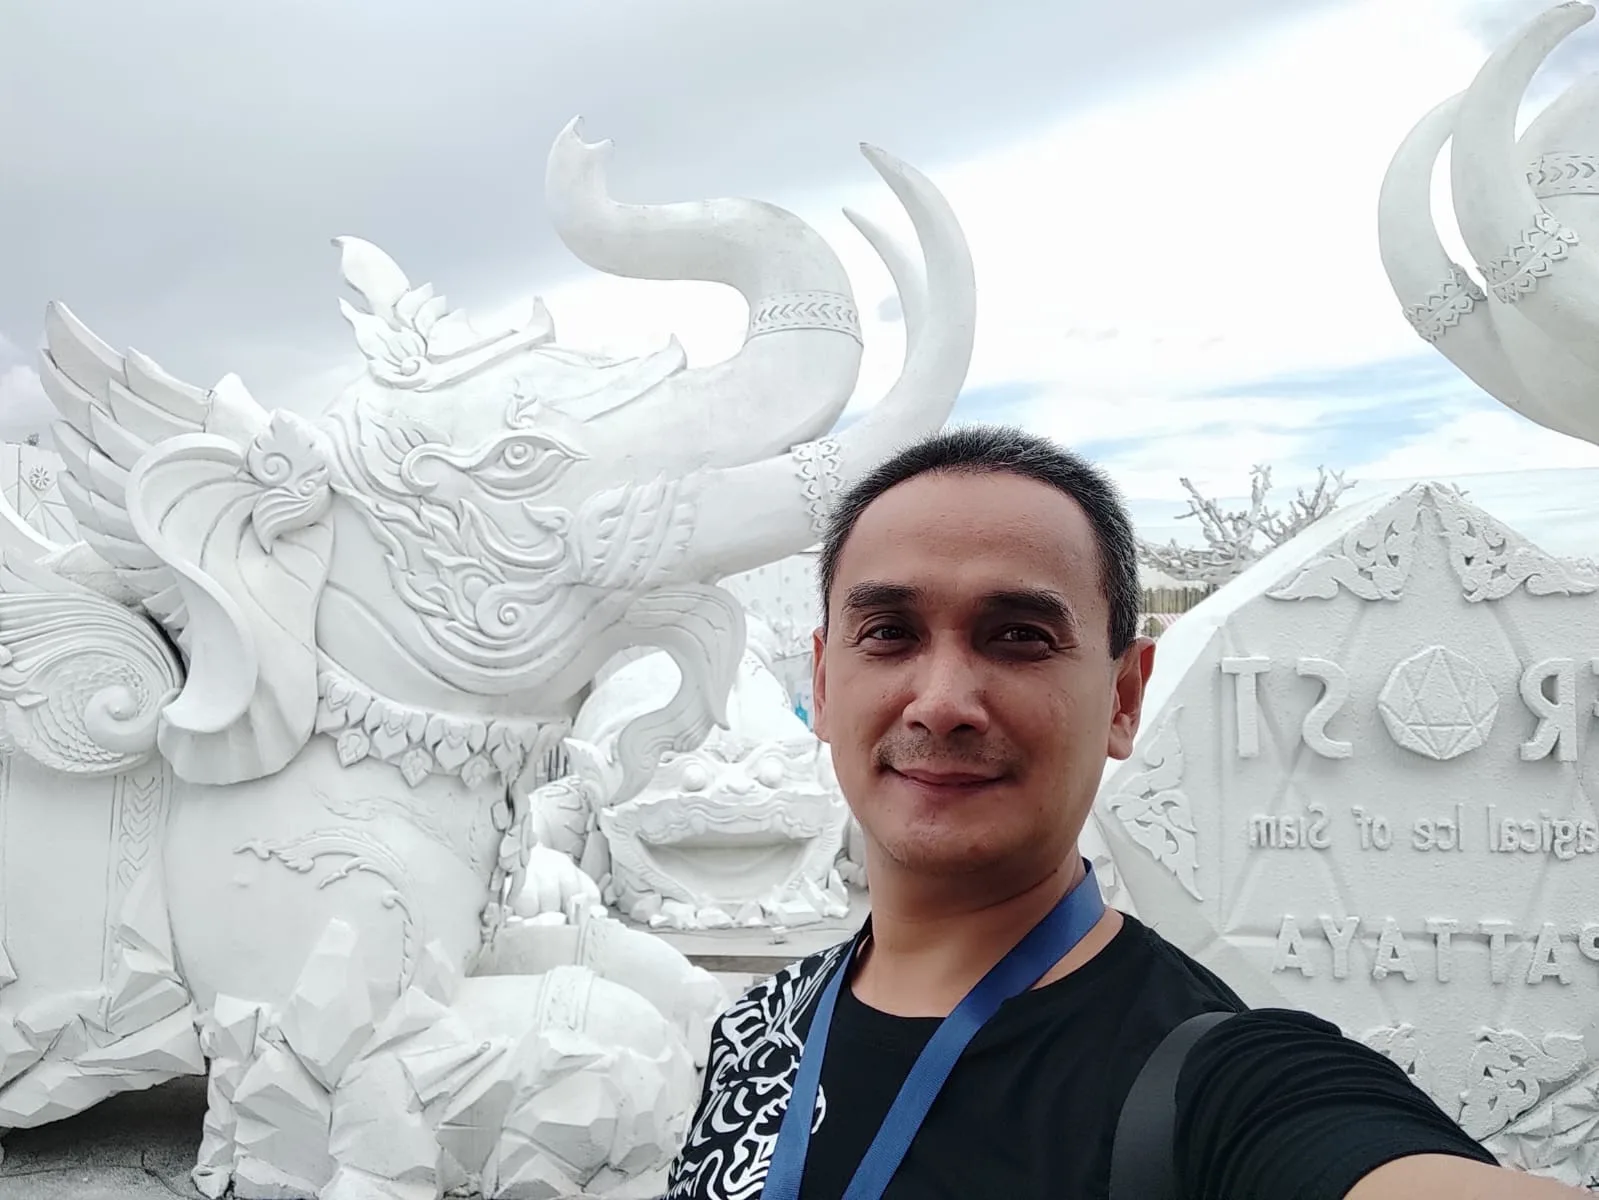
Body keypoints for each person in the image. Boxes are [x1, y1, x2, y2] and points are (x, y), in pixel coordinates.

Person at [663, 426, 1584, 1200]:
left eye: (1018, 636)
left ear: (1122, 698)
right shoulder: (758, 1028)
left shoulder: (1209, 1083)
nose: (940, 702)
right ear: (823, 684)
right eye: (888, 633)